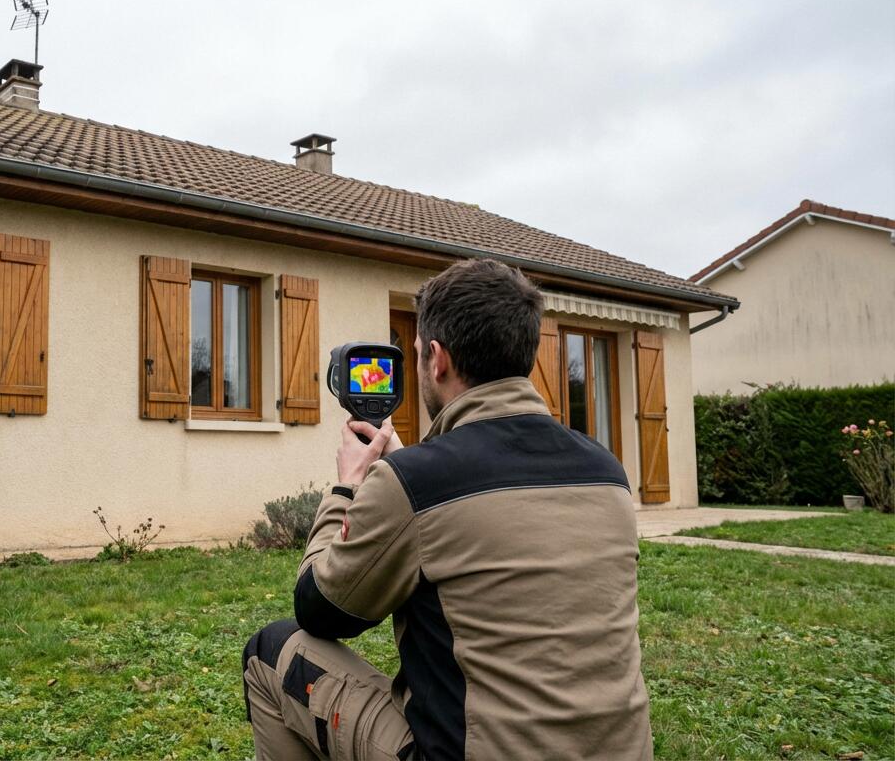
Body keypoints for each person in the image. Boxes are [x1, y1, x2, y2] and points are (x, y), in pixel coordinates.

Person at [242, 258, 652, 760]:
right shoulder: (607, 472)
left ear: (437, 359)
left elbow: (320, 609)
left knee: (268, 651)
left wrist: (348, 487)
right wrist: (408, 479)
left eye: (414, 355)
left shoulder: (418, 483)